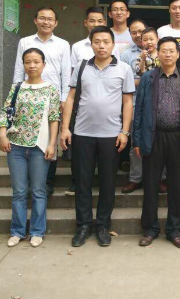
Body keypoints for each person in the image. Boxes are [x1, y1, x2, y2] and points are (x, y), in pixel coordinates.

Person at [60, 26, 135, 247]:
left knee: (107, 182)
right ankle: (83, 225)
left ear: (113, 44)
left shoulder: (123, 69)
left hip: (111, 135)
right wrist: (65, 128)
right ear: (91, 44)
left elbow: (128, 102)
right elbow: (70, 98)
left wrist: (125, 131)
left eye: (106, 42)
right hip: (82, 133)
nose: (101, 46)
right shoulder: (82, 67)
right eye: (97, 42)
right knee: (82, 182)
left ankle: (102, 225)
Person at [133, 37, 180, 249]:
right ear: (158, 54)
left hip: (178, 137)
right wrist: (137, 140)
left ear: (178, 54)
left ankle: (175, 230)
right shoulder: (148, 78)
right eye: (164, 50)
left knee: (177, 186)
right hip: (153, 136)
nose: (167, 54)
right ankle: (150, 228)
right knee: (150, 184)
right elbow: (139, 110)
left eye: (171, 51)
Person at [0, 48, 60, 248]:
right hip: (15, 146)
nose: (32, 65)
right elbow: (5, 112)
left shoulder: (51, 89)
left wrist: (52, 144)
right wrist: (2, 134)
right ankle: (17, 231)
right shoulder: (17, 88)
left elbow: (54, 118)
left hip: (39, 147)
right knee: (19, 191)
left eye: (36, 61)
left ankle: (37, 231)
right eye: (27, 62)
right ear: (23, 64)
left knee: (39, 191)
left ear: (43, 64)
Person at [12, 7, 71, 197]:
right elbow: (18, 70)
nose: (46, 22)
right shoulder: (25, 42)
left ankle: (47, 181)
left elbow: (66, 74)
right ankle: (29, 180)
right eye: (42, 18)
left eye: (50, 19)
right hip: (27, 96)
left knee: (50, 138)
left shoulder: (63, 44)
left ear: (56, 23)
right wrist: (15, 96)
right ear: (35, 20)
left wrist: (64, 99)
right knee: (26, 137)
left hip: (51, 98)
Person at [66, 6, 108, 195]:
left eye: (99, 21)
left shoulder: (110, 44)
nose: (96, 24)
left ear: (104, 23)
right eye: (92, 20)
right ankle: (77, 182)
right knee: (79, 144)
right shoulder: (77, 47)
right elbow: (71, 74)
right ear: (85, 23)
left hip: (105, 102)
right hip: (81, 101)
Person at [120, 19, 147, 194]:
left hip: (156, 105)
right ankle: (135, 178)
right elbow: (124, 80)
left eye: (141, 31)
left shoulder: (158, 50)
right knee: (135, 143)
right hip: (134, 104)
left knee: (157, 143)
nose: (138, 35)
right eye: (134, 32)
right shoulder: (126, 54)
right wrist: (143, 81)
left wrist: (139, 81)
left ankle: (159, 178)